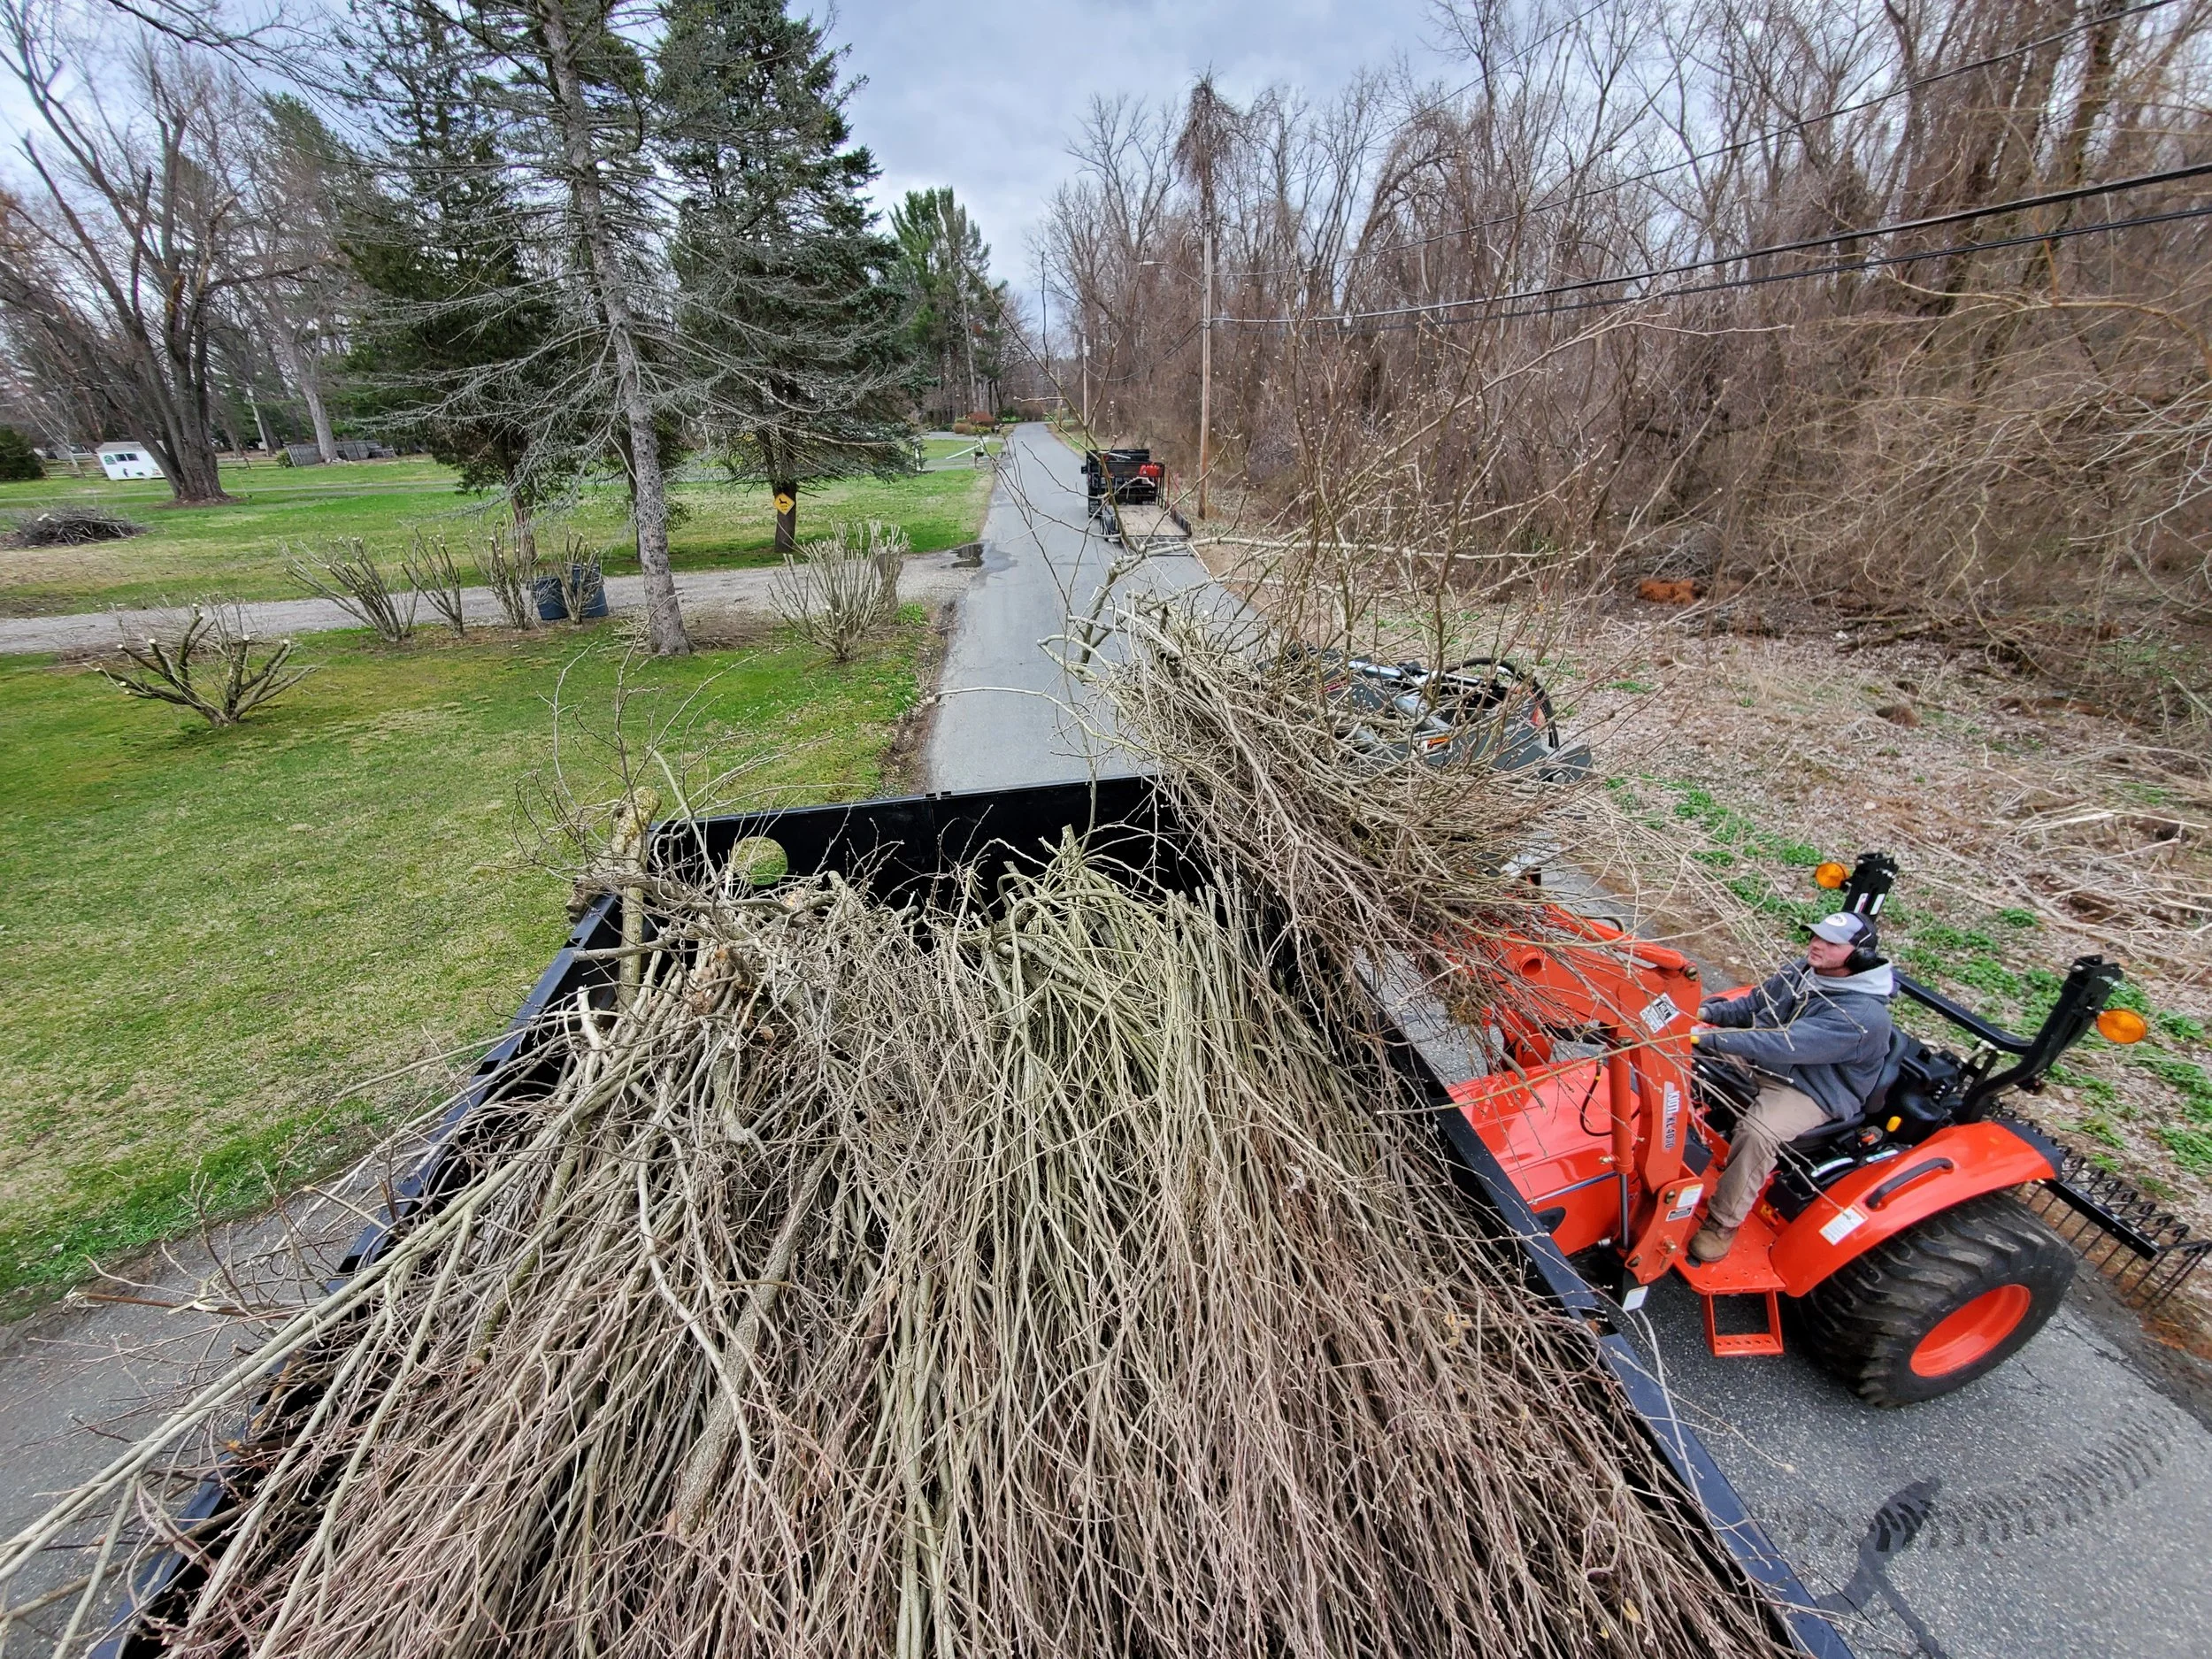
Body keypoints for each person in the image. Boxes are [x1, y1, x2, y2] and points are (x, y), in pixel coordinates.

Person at [1688, 910, 1895, 1263]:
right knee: (1674, 1059)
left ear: (1860, 955)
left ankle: (1722, 1223)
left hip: (1810, 1087)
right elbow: (1755, 1005)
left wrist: (1705, 1039)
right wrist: (1704, 1015)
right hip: (1767, 1061)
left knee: (1757, 1133)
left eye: (1831, 942)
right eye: (1816, 936)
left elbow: (1783, 1042)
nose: (1816, 944)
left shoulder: (1863, 1016)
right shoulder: (1805, 970)